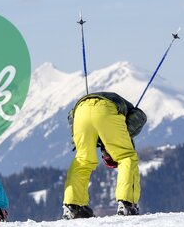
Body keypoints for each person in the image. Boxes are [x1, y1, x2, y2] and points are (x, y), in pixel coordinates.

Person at [61, 91, 147, 219]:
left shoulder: (100, 137)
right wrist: (127, 134)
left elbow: (71, 117)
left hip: (80, 110)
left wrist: (76, 138)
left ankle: (74, 207)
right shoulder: (122, 129)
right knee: (126, 156)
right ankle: (127, 203)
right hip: (106, 108)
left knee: (83, 160)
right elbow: (140, 116)